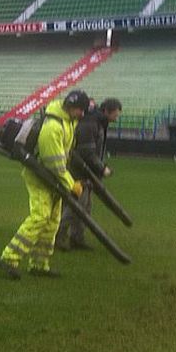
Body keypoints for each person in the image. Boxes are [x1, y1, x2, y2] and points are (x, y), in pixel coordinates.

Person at [0, 90, 89, 280]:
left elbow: (62, 159)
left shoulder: (68, 122)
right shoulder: (53, 127)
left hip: (53, 178)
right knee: (40, 217)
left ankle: (39, 264)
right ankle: (9, 258)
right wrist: (72, 185)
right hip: (39, 176)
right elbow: (54, 164)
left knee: (52, 222)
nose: (82, 114)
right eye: (81, 110)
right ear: (72, 108)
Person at [55, 98, 122, 251]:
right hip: (79, 172)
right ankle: (58, 236)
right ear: (106, 111)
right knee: (75, 207)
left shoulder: (96, 123)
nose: (116, 118)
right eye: (115, 115)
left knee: (85, 207)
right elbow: (87, 152)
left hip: (87, 172)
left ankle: (77, 238)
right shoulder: (91, 124)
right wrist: (102, 168)